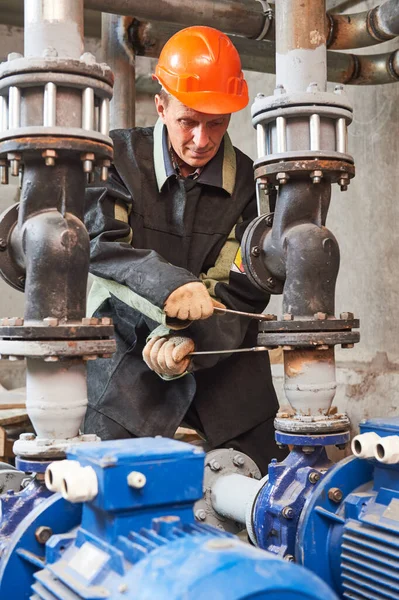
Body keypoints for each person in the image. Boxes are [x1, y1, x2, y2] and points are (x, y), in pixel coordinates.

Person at [83, 25, 287, 474]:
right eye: (187, 121)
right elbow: (103, 251)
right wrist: (169, 292)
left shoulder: (252, 187)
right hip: (128, 360)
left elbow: (244, 289)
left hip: (223, 360)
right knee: (110, 484)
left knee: (270, 486)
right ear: (161, 106)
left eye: (216, 123)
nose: (201, 139)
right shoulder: (114, 158)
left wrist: (191, 340)